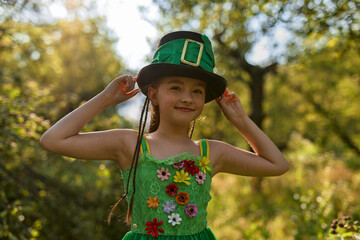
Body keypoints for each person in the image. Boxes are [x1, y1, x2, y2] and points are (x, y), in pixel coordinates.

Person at [40, 31, 289, 239]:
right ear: (153, 94)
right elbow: (52, 140)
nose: (186, 98)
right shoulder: (130, 144)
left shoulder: (212, 152)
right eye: (175, 87)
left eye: (197, 91)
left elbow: (277, 164)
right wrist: (105, 99)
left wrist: (240, 120)